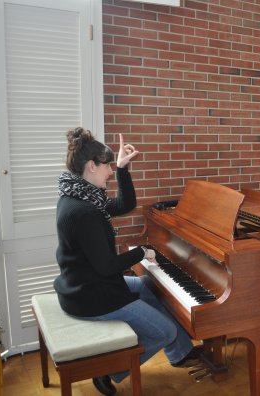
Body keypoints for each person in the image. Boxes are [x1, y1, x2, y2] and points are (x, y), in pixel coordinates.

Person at [54, 127, 201, 395]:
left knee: (146, 285)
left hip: (83, 283)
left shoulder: (78, 196)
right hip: (91, 295)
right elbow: (108, 266)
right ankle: (111, 371)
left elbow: (124, 205)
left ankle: (179, 353)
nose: (109, 172)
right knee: (164, 331)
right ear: (91, 166)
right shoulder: (85, 212)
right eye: (108, 166)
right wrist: (142, 252)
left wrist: (123, 168)